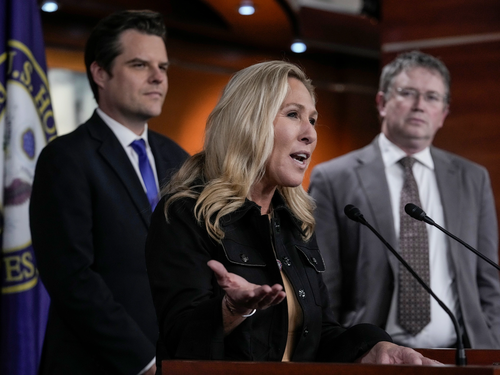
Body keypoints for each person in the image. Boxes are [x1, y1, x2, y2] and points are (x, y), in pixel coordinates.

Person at [145, 60, 439, 370]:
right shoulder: (185, 214)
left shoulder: (293, 223)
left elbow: (318, 335)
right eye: (293, 114)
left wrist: (374, 347)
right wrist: (232, 309)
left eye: (312, 119)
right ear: (248, 121)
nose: (310, 133)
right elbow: (179, 341)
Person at [29, 10, 188, 375]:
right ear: (100, 73)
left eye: (163, 66)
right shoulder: (65, 158)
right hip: (94, 364)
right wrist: (145, 362)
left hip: (175, 358)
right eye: (139, 64)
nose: (158, 77)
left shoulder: (178, 158)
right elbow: (73, 279)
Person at [309, 51, 500, 349]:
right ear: (382, 103)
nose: (420, 105)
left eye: (432, 97)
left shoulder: (472, 178)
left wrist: (491, 338)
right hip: (373, 356)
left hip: (464, 354)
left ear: (444, 113)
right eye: (408, 93)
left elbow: (488, 278)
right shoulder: (333, 178)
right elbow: (324, 281)